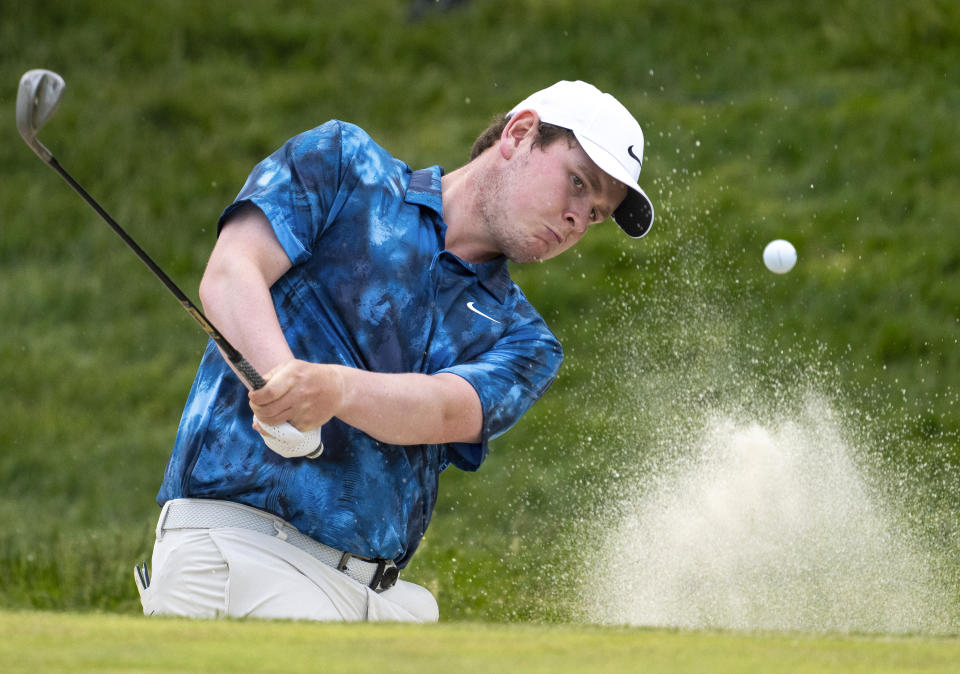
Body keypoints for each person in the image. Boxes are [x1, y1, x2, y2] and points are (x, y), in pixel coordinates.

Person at [134, 80, 654, 622]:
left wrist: (334, 391)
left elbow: (445, 408)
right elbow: (232, 271)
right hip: (241, 554)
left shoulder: (524, 338)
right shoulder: (344, 164)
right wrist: (281, 382)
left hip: (375, 595)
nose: (578, 219)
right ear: (520, 134)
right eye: (577, 182)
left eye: (596, 213)